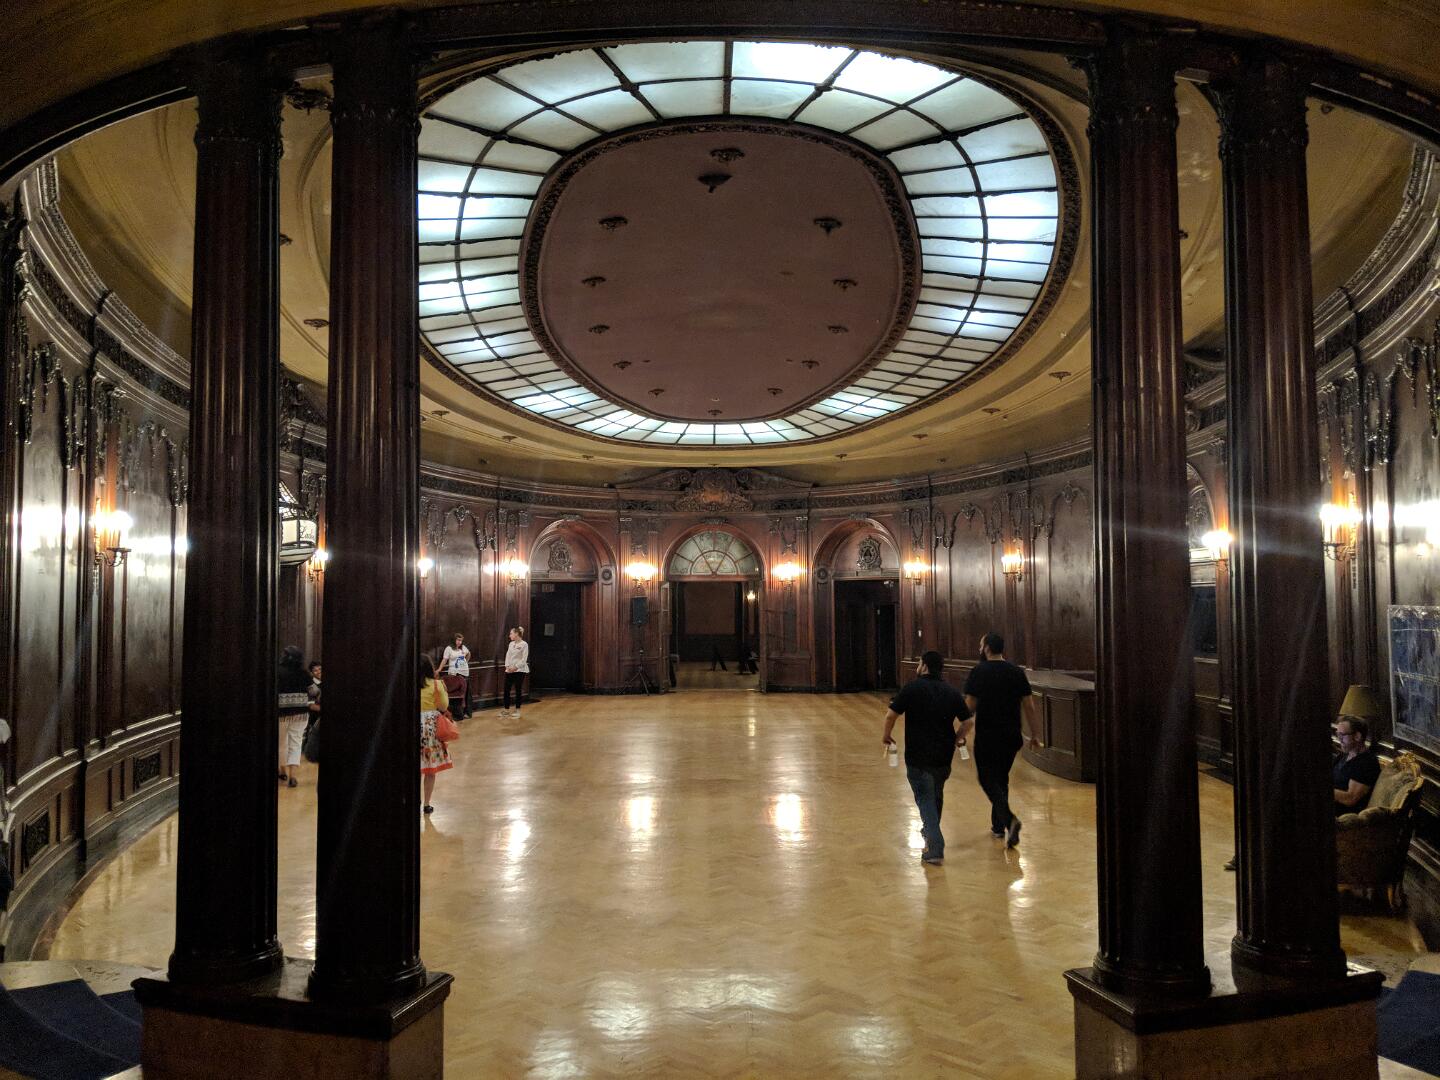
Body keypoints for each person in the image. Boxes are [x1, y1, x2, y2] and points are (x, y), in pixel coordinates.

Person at [882, 650, 971, 866]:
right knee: (935, 795)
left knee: (925, 798)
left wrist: (886, 735)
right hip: (943, 755)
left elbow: (891, 715)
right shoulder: (951, 692)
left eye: (919, 663)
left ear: (924, 666)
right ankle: (929, 831)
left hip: (918, 754)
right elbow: (968, 722)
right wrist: (957, 738)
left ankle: (935, 846)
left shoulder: (912, 688)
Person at [961, 632, 1039, 849]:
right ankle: (999, 826)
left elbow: (970, 706)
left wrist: (959, 729)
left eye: (980, 645)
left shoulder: (978, 671)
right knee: (1001, 777)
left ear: (987, 648)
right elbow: (1029, 705)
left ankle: (1010, 820)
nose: (979, 649)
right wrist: (1035, 734)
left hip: (988, 735)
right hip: (1011, 735)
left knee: (987, 779)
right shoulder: (1016, 672)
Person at [420, 653, 452, 814]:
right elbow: (443, 706)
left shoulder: (408, 683)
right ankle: (426, 804)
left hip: (412, 724)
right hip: (430, 727)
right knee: (430, 769)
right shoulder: (436, 685)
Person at [277, 645, 310, 788]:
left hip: (281, 713)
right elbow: (315, 692)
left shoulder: (278, 672)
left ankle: (282, 771)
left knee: (281, 744)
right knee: (295, 743)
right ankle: (293, 776)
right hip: (300, 714)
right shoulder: (304, 673)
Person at [1334, 717, 1381, 815]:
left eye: (1342, 735)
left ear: (1357, 736)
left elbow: (1350, 798)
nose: (1339, 739)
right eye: (1338, 734)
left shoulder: (1367, 763)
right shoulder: (1344, 754)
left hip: (1345, 815)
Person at [441, 632, 472, 718]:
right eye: (458, 640)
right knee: (455, 694)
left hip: (465, 673)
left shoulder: (463, 647)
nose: (459, 642)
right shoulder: (449, 648)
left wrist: (466, 662)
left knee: (466, 693)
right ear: (454, 640)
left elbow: (469, 654)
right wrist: (439, 669)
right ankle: (457, 713)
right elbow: (444, 660)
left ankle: (467, 713)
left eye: (461, 640)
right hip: (454, 674)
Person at [503, 626, 529, 718]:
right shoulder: (511, 644)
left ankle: (517, 710)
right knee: (506, 690)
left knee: (518, 690)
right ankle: (506, 710)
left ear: (516, 634)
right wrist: (507, 666)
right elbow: (508, 655)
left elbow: (524, 659)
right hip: (509, 670)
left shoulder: (524, 644)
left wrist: (515, 667)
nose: (510, 635)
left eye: (511, 633)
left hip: (520, 670)